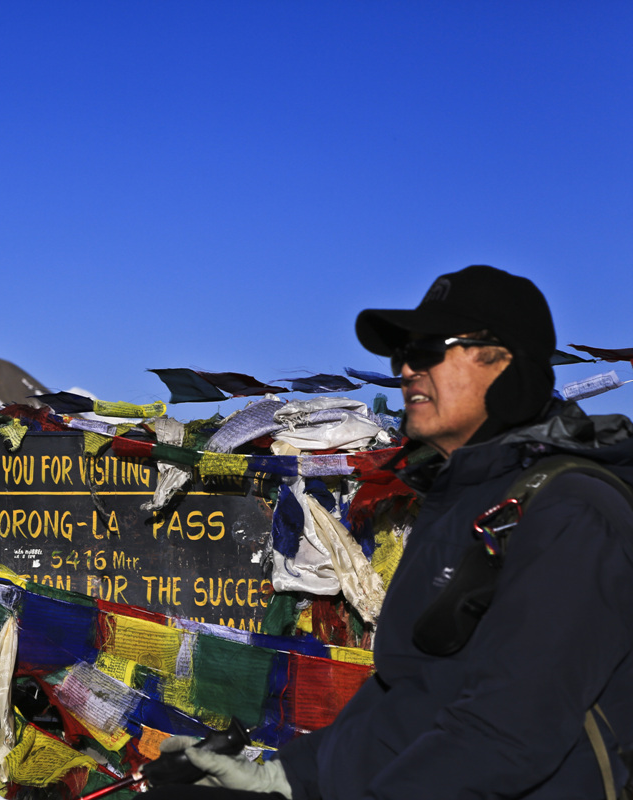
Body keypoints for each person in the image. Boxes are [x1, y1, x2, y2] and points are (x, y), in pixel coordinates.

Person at [142, 265, 633, 799]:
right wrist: (285, 778)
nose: (405, 367)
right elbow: (408, 694)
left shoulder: (569, 513)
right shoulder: (456, 502)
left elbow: (505, 734)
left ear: (506, 363)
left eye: (428, 349)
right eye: (401, 352)